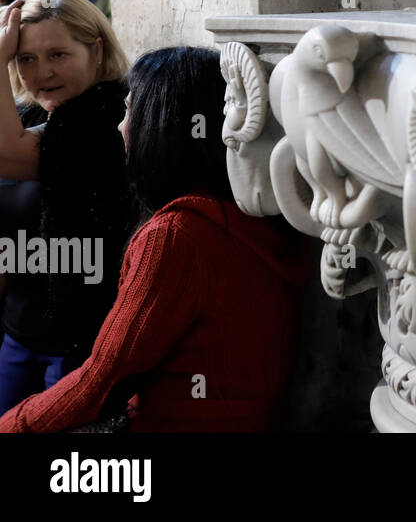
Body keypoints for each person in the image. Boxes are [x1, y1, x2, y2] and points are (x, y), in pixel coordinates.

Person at [0, 46, 313, 432]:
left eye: (131, 110)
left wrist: (13, 425)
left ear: (161, 123)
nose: (120, 126)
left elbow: (104, 379)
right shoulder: (249, 215)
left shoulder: (176, 236)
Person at [0, 0, 133, 416]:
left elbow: (9, 155)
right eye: (26, 59)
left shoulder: (106, 115)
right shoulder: (34, 115)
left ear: (96, 50)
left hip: (79, 345)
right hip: (18, 333)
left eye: (58, 55)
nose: (42, 73)